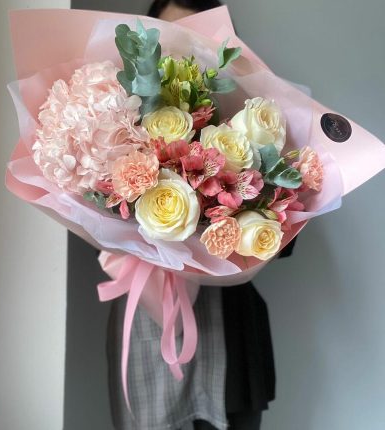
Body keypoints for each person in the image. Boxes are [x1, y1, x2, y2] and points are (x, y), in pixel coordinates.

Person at [105, 2, 297, 430]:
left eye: (198, 37)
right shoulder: (115, 122)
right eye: (167, 38)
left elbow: (287, 237)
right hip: (149, 333)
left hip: (232, 342)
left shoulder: (250, 122)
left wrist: (239, 216)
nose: (181, 53)